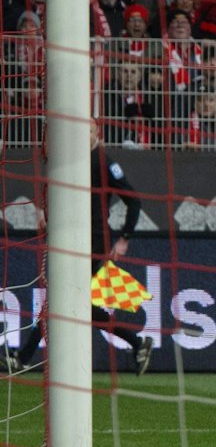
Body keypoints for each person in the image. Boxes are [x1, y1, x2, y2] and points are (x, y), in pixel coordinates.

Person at [8, 127, 155, 376]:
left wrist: (125, 238)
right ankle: (137, 342)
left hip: (94, 241)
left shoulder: (105, 163)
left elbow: (134, 200)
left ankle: (23, 357)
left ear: (97, 134)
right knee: (75, 302)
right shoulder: (73, 159)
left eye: (88, 129)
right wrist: (46, 212)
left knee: (62, 296)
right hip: (72, 239)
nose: (83, 133)